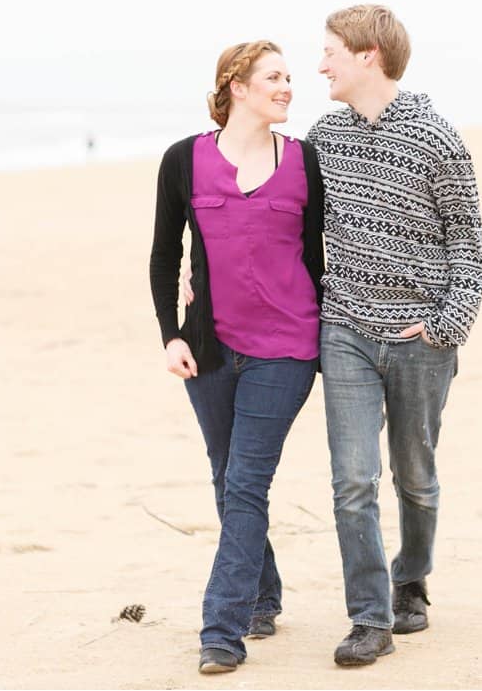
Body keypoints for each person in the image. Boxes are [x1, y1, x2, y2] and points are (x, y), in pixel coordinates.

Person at [307, 5, 482, 666]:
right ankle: (369, 616)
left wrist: (445, 327)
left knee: (415, 476)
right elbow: (286, 227)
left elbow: (469, 250)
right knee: (353, 479)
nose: (320, 64)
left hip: (420, 339)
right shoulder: (323, 137)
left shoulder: (439, 139)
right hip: (345, 328)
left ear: (366, 55)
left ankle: (411, 576)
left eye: (329, 51)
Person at [148, 40, 325, 674]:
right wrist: (172, 333)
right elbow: (166, 253)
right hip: (210, 349)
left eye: (289, 78)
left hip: (287, 349)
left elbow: (318, 260)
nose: (287, 88)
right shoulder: (183, 160)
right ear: (238, 86)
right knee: (228, 479)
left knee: (247, 482)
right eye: (275, 78)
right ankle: (263, 596)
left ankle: (222, 630)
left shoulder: (305, 162)